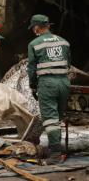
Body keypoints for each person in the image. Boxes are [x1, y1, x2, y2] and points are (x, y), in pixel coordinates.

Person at [27, 14, 71, 164]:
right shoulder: (64, 42)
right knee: (57, 119)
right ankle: (57, 150)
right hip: (64, 83)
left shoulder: (34, 43)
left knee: (50, 120)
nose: (33, 30)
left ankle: (55, 155)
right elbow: (68, 64)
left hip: (47, 84)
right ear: (49, 26)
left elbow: (31, 69)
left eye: (33, 27)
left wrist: (32, 86)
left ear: (38, 27)